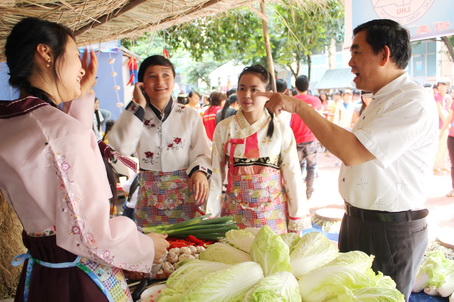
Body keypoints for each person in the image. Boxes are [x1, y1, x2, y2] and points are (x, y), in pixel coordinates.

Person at [262, 19, 437, 301]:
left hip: (389, 231)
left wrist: (298, 107)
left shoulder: (411, 101)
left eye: (357, 52)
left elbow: (352, 151)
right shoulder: (381, 99)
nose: (350, 63)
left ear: (384, 55)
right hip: (359, 222)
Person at [0, 17, 169, 302]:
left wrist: (80, 95)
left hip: (42, 275)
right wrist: (146, 246)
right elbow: (91, 235)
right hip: (80, 279)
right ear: (46, 53)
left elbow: (56, 155)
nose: (81, 68)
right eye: (75, 55)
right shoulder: (59, 133)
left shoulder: (12, 123)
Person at [107, 55, 211, 227]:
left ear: (173, 80)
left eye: (165, 75)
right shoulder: (136, 114)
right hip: (149, 193)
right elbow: (122, 146)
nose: (160, 81)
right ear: (142, 84)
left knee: (183, 246)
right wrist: (138, 104)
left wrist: (199, 172)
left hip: (184, 192)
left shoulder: (189, 115)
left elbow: (202, 151)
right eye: (152, 76)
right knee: (152, 246)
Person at [206, 65, 310, 235]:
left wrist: (296, 218)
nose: (247, 95)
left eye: (254, 89)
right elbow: (216, 175)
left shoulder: (281, 129)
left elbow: (292, 175)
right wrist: (210, 217)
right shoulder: (224, 128)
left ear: (268, 93)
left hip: (273, 215)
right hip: (235, 215)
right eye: (242, 89)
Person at [289, 75, 323, 200]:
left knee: (297, 168)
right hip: (311, 141)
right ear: (308, 86)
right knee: (312, 167)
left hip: (296, 142)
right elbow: (320, 120)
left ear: (296, 87)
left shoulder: (291, 101)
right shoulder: (316, 101)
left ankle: (297, 192)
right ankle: (309, 192)